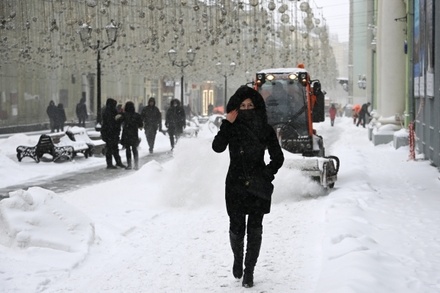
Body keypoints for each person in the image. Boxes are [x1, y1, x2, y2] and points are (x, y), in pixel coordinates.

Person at [212, 86, 284, 288]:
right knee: (237, 228)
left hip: (257, 185)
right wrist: (227, 123)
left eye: (250, 105)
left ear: (256, 106)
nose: (246, 109)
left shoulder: (265, 128)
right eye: (242, 106)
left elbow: (278, 158)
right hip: (235, 183)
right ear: (235, 108)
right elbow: (217, 147)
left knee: (255, 230)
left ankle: (249, 271)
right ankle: (237, 258)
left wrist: (267, 174)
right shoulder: (231, 127)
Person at [100, 98, 126, 169]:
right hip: (111, 133)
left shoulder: (107, 111)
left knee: (112, 148)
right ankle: (112, 163)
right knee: (112, 148)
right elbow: (113, 122)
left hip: (109, 133)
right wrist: (119, 119)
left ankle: (114, 162)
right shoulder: (111, 111)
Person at [118, 101, 143, 170]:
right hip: (134, 134)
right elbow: (140, 124)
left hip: (126, 133)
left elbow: (119, 121)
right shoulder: (136, 115)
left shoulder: (124, 115)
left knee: (128, 149)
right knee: (134, 149)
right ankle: (136, 164)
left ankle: (129, 164)